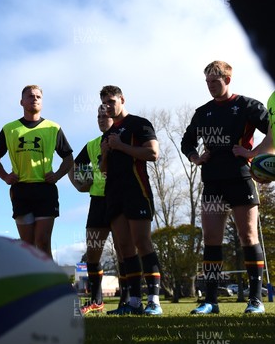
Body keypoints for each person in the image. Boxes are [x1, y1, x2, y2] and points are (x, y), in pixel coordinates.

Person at [181, 61, 269, 314]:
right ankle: (210, 300)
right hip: (213, 181)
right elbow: (187, 141)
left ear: (228, 80)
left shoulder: (248, 106)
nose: (210, 86)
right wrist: (195, 158)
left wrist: (252, 152)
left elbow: (272, 132)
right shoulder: (203, 111)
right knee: (211, 238)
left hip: (241, 177)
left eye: (215, 82)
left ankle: (255, 300)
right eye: (207, 82)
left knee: (248, 236)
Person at [99, 85, 163, 315]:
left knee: (142, 241)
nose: (108, 106)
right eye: (104, 102)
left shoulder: (139, 123)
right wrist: (106, 152)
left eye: (111, 101)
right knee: (125, 247)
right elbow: (103, 168)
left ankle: (154, 300)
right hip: (114, 195)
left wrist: (121, 146)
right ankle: (134, 302)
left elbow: (153, 154)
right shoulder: (106, 135)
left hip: (137, 189)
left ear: (122, 99)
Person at [0, 85, 73, 257]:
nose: (34, 99)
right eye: (30, 96)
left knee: (42, 242)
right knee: (27, 247)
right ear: (22, 101)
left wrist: (57, 175)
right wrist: (5, 176)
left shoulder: (53, 128)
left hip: (45, 190)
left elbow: (68, 158)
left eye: (38, 96)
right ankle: (31, 283)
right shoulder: (10, 129)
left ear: (42, 102)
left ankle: (50, 282)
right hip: (21, 190)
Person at [68, 105, 128, 314]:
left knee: (123, 252)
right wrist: (80, 184)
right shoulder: (92, 144)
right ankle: (96, 300)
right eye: (98, 117)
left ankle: (127, 300)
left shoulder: (124, 137)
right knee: (92, 252)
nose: (102, 119)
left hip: (120, 200)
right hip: (98, 201)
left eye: (105, 116)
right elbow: (73, 167)